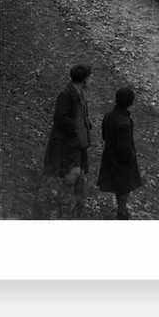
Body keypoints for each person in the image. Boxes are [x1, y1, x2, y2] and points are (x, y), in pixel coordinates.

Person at [43, 63, 93, 218]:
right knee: (74, 173)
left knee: (80, 175)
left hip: (77, 142)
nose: (90, 81)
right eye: (89, 78)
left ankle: (76, 210)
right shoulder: (66, 94)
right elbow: (60, 117)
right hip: (67, 143)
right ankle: (59, 203)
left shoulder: (78, 93)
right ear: (84, 80)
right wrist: (75, 129)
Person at [97, 86, 142, 220]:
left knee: (119, 186)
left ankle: (121, 210)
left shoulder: (108, 116)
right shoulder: (125, 123)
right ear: (130, 102)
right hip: (121, 160)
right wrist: (132, 157)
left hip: (109, 155)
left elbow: (104, 135)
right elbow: (125, 147)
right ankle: (121, 212)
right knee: (124, 187)